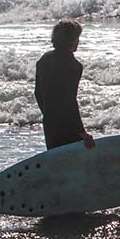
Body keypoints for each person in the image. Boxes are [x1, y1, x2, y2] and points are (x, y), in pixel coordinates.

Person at [35, 18, 95, 150]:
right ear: (71, 40)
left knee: (58, 163)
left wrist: (48, 115)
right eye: (77, 38)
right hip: (68, 127)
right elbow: (69, 101)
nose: (79, 41)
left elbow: (37, 93)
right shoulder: (74, 66)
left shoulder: (44, 60)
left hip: (50, 124)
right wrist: (82, 132)